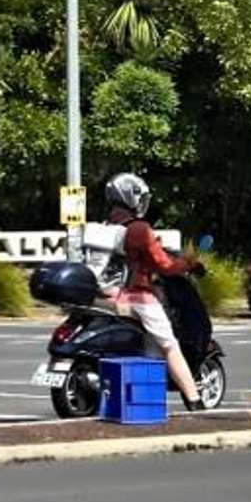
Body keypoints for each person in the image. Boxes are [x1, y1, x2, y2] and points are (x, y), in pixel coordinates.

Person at [100, 172, 203, 411]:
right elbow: (165, 265)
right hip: (138, 297)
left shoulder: (106, 228)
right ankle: (194, 399)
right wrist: (189, 264)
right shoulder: (139, 229)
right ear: (131, 198)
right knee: (169, 344)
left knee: (149, 344)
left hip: (109, 295)